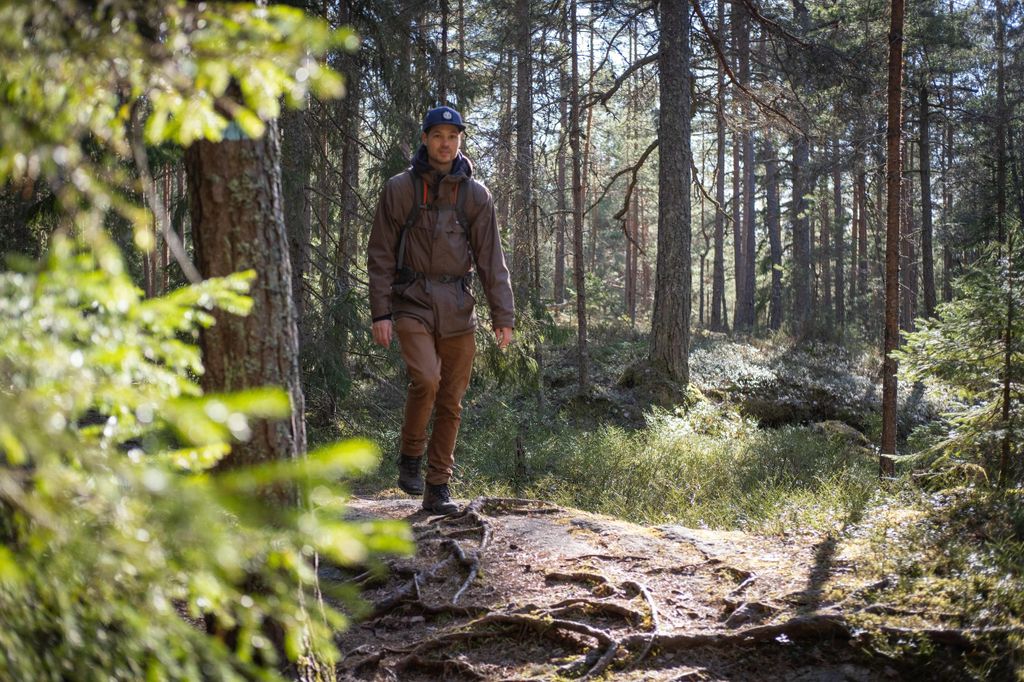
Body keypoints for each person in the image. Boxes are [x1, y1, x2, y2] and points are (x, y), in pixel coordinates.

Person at [367, 105, 515, 515]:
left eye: (453, 136)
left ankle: (437, 489)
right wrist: (381, 313)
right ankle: (410, 457)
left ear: (460, 141)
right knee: (427, 380)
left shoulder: (476, 195)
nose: (445, 143)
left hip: (457, 307)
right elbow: (379, 253)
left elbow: (490, 259)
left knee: (451, 399)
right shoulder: (400, 188)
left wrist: (503, 315)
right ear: (425, 139)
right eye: (438, 136)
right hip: (411, 300)